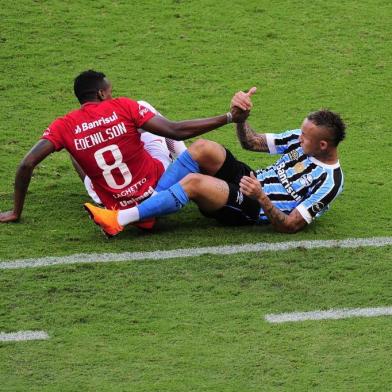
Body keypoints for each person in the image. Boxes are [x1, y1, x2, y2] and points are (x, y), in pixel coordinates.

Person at [0, 70, 250, 226]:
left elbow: (26, 164)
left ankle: (113, 204)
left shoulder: (63, 125)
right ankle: (185, 160)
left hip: (111, 202)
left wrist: (16, 211)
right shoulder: (122, 106)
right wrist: (229, 117)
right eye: (109, 92)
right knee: (147, 121)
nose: (112, 95)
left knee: (74, 148)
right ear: (100, 94)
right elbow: (175, 130)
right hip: (155, 190)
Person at [84, 88, 346, 237]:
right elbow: (251, 142)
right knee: (203, 148)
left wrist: (262, 197)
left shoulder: (330, 182)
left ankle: (119, 219)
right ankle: (148, 210)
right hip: (251, 178)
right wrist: (241, 117)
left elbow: (290, 226)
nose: (298, 138)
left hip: (254, 206)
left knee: (194, 183)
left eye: (304, 137)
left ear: (323, 145)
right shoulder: (300, 141)